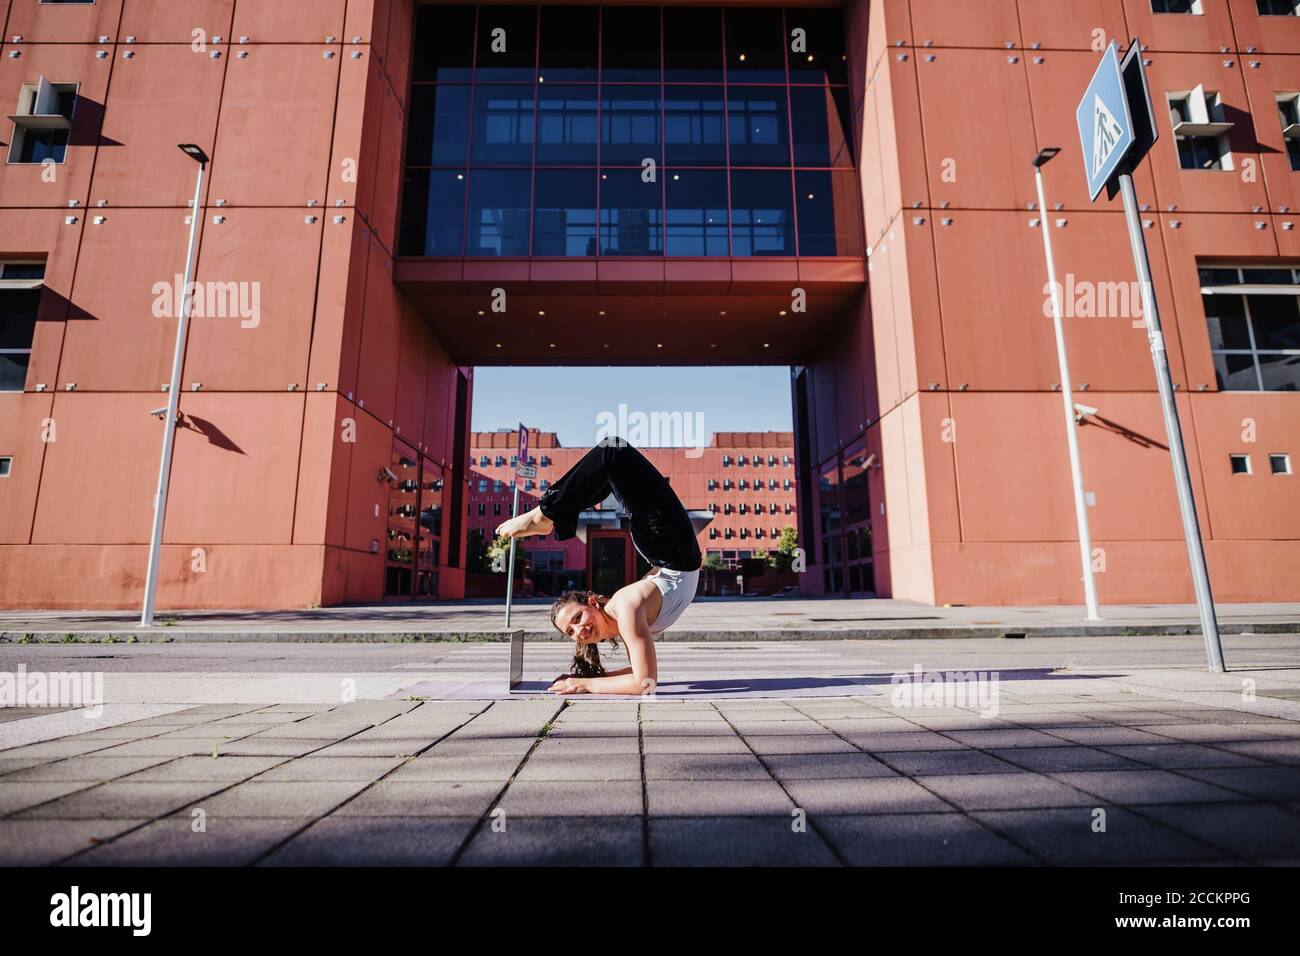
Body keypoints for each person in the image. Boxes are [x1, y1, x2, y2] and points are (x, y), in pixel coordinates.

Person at [495, 438, 702, 696]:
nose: (579, 630)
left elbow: (642, 682)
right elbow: (644, 678)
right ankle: (555, 519)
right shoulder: (626, 619)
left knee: (613, 453)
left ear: (593, 602)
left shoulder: (625, 607)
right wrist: (589, 679)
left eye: (577, 618)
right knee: (609, 466)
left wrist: (584, 684)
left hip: (668, 546)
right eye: (571, 631)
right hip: (670, 550)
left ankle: (545, 515)